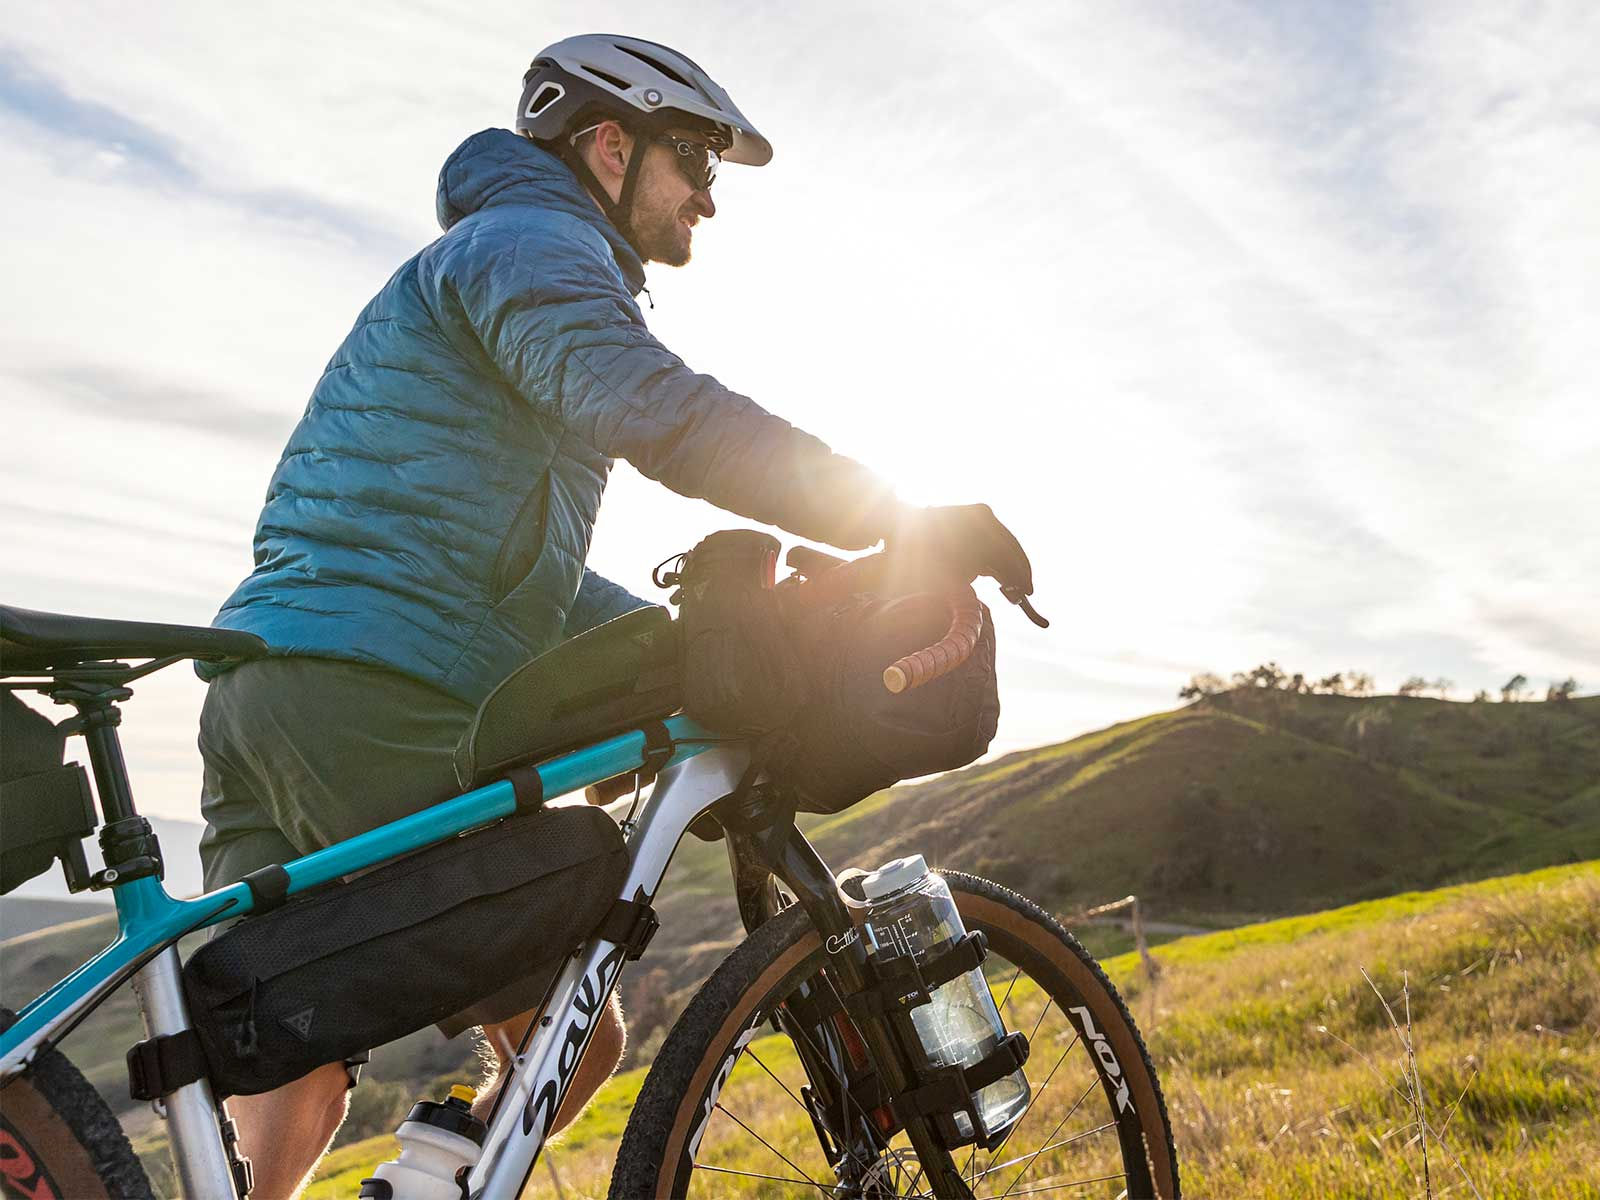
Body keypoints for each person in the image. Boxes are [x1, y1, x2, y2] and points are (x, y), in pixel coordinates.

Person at [196, 33, 1032, 1198]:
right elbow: (656, 410)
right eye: (695, 161)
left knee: (296, 1060)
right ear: (607, 144)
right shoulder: (536, 244)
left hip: (270, 683)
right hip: (377, 685)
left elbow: (500, 577)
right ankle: (434, 1181)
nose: (707, 198)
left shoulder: (481, 261)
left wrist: (685, 637)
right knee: (576, 1037)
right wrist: (892, 516)